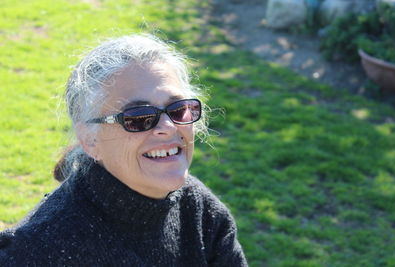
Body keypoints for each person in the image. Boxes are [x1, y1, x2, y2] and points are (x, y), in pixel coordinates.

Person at [0, 34, 248, 266]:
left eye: (177, 109)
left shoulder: (202, 213)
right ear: (90, 139)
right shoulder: (36, 251)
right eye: (139, 117)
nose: (168, 127)